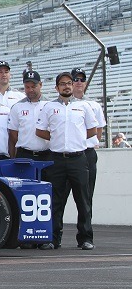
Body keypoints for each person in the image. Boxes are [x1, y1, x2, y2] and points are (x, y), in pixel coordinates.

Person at [36, 72, 97, 250]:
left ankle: (85, 238)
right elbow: (40, 131)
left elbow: (92, 130)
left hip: (78, 157)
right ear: (57, 88)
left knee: (83, 200)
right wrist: (56, 138)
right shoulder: (49, 107)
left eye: (69, 83)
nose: (67, 86)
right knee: (55, 200)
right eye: (63, 84)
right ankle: (53, 238)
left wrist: (75, 138)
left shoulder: (84, 106)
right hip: (56, 158)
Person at [70, 67, 107, 232]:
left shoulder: (93, 105)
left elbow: (98, 130)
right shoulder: (62, 104)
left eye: (81, 80)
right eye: (75, 79)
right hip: (68, 154)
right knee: (59, 196)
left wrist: (86, 141)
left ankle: (85, 234)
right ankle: (55, 235)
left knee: (86, 196)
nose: (78, 83)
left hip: (87, 152)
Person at [7, 70, 50, 160]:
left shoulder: (50, 105)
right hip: (25, 154)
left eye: (33, 86)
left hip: (47, 154)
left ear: (40, 85)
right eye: (27, 87)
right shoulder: (17, 106)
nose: (30, 90)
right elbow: (13, 133)